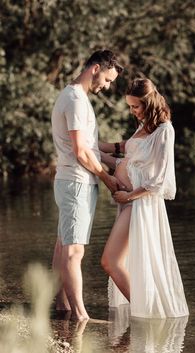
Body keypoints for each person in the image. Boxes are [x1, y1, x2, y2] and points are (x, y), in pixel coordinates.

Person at [100, 78, 189, 318]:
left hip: (140, 204)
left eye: (136, 106)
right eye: (130, 106)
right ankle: (143, 314)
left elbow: (159, 180)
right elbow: (125, 153)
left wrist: (128, 196)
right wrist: (93, 150)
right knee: (120, 263)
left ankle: (146, 314)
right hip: (129, 203)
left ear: (149, 103)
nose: (132, 111)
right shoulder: (143, 127)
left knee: (110, 261)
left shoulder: (164, 131)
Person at [51, 49, 123, 321]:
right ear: (96, 68)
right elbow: (82, 153)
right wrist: (106, 178)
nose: (106, 86)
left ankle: (62, 306)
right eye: (107, 79)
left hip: (70, 181)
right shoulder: (77, 101)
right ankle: (81, 315)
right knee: (74, 251)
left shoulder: (72, 95)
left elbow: (88, 147)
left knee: (63, 245)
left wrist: (118, 158)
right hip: (77, 182)